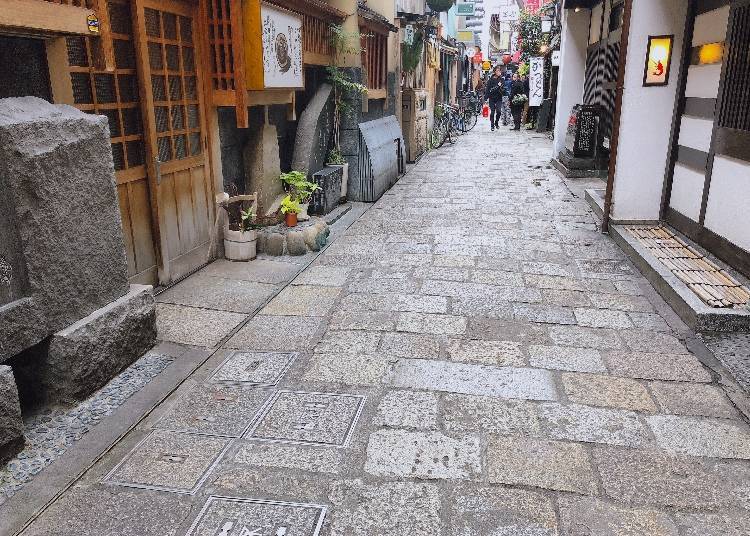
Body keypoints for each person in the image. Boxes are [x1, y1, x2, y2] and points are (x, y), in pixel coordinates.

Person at [484, 66, 504, 131]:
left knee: (499, 111)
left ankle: (496, 122)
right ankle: (492, 125)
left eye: (500, 71)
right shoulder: (490, 80)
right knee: (492, 112)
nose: (499, 72)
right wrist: (485, 98)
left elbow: (503, 88)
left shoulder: (501, 79)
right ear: (495, 71)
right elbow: (487, 90)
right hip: (492, 98)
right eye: (498, 71)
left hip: (499, 97)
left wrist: (502, 88)